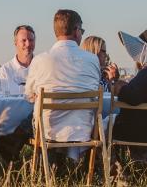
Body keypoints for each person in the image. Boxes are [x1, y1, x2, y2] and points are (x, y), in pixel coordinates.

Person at [25, 9, 103, 146]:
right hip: (83, 131)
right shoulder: (92, 60)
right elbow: (95, 93)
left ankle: (46, 164)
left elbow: (29, 96)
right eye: (82, 31)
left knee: (23, 124)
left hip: (48, 132)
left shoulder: (40, 60)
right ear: (76, 30)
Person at [0, 25, 35, 97]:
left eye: (31, 40)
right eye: (24, 40)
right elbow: (2, 100)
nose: (28, 44)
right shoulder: (5, 71)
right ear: (15, 43)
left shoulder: (42, 68)